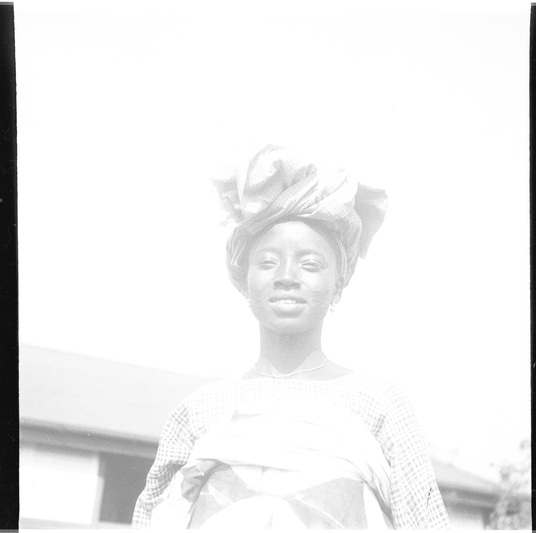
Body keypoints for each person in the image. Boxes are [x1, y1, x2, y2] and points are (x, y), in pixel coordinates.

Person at [132, 145, 449, 529]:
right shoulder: (198, 411)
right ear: (244, 281)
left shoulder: (380, 403)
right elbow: (153, 519)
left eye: (310, 264)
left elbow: (426, 523)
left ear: (338, 285)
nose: (286, 275)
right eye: (267, 262)